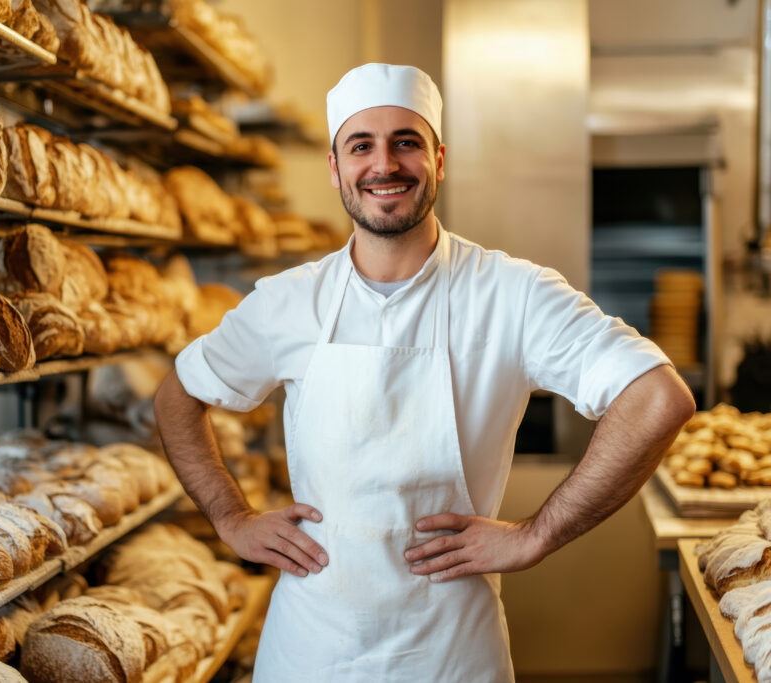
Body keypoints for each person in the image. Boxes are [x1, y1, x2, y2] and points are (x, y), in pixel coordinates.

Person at [153, 63, 696, 682]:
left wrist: (535, 534)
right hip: (310, 651)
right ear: (336, 169)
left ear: (439, 159)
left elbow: (658, 398)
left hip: (451, 655)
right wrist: (231, 518)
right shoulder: (289, 301)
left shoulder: (512, 293)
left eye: (406, 142)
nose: (384, 164)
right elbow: (178, 395)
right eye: (361, 145)